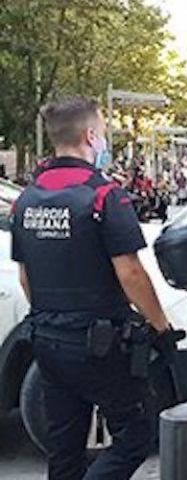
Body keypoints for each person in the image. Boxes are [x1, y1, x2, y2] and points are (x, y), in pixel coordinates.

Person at [13, 97, 172, 479]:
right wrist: (161, 328)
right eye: (102, 132)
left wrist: (55, 318)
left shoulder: (27, 199)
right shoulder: (104, 195)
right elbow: (131, 272)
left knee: (64, 447)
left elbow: (25, 276)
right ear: (90, 135)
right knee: (135, 434)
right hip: (99, 347)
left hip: (47, 340)